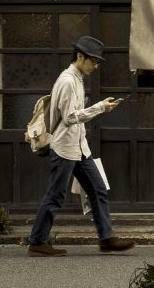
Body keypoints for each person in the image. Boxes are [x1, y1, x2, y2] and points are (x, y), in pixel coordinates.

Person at [27, 35, 136, 256]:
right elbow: (69, 118)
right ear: (80, 56)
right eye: (93, 61)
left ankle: (106, 238)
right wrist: (100, 108)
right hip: (65, 148)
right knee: (56, 195)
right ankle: (37, 241)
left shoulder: (77, 79)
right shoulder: (67, 81)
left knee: (97, 189)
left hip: (79, 148)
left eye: (96, 62)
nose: (95, 66)